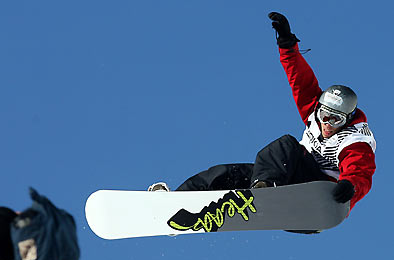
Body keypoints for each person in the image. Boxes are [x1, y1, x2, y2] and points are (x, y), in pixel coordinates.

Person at [150, 12, 376, 228]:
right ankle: (176, 203)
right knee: (228, 174)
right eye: (325, 116)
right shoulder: (313, 110)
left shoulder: (355, 140)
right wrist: (287, 45)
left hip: (322, 197)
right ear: (319, 108)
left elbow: (360, 172)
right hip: (288, 182)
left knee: (288, 145)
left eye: (336, 120)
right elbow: (299, 79)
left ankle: (263, 191)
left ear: (347, 119)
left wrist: (350, 187)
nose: (327, 123)